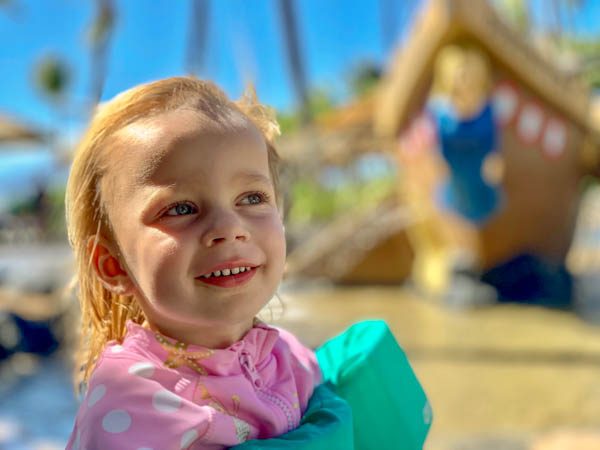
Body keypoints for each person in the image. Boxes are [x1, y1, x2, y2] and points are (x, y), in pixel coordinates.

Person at [64, 76, 321, 450]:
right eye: (181, 209)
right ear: (113, 265)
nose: (229, 228)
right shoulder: (128, 410)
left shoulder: (290, 358)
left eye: (252, 198)